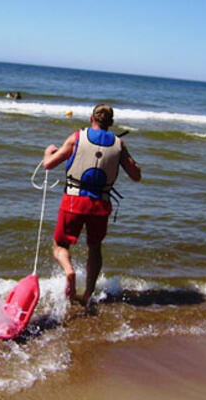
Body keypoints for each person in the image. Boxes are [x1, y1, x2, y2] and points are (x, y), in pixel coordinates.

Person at [43, 104, 141, 309]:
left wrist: (48, 152)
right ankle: (88, 293)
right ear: (111, 123)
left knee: (60, 246)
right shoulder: (119, 144)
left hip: (73, 201)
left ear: (91, 118)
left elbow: (49, 164)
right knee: (94, 248)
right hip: (100, 204)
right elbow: (136, 176)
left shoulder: (77, 137)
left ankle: (69, 271)